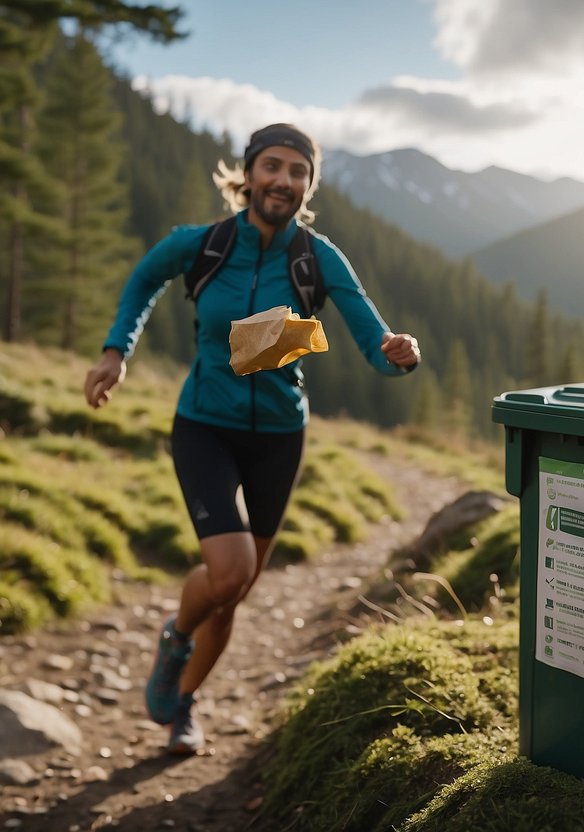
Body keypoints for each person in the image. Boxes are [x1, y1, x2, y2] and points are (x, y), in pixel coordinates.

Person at [83, 123, 421, 755]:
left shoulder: (318, 258)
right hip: (205, 426)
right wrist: (115, 353)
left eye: (299, 172)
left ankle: (182, 705)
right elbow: (142, 283)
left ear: (307, 186)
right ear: (248, 174)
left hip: (279, 437)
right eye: (273, 166)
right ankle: (176, 637)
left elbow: (373, 339)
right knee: (230, 568)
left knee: (234, 589)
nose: (284, 181)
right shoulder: (204, 245)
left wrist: (397, 354)